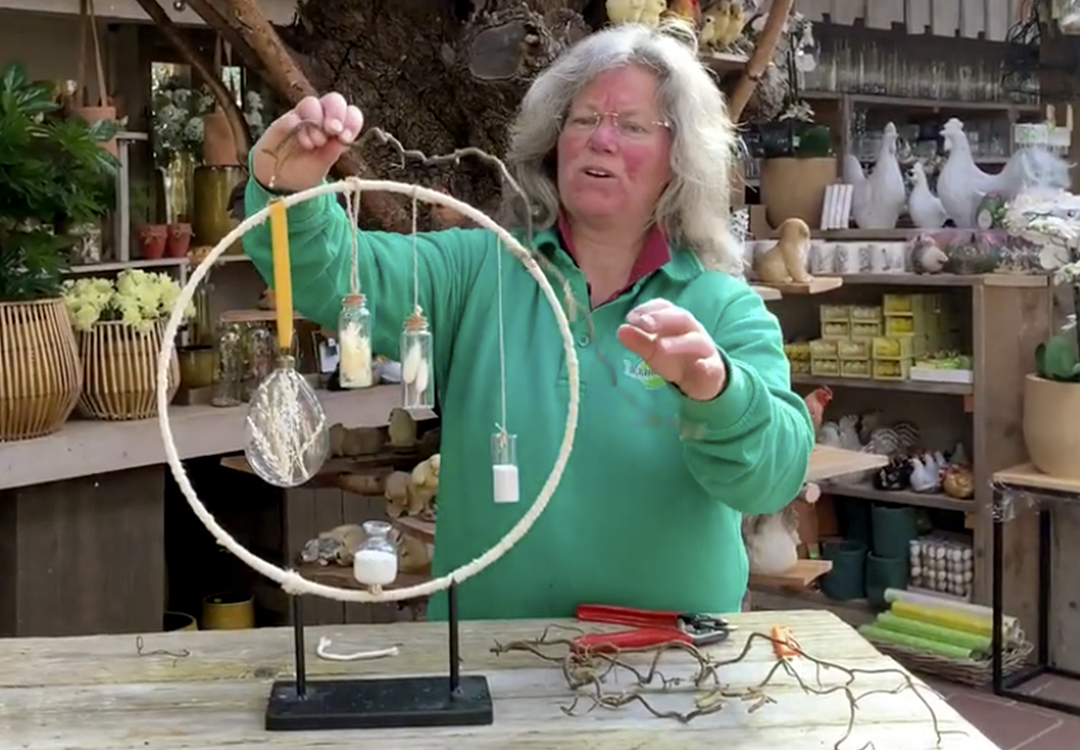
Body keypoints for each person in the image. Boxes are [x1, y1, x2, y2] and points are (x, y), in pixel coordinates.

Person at [242, 21, 815, 621]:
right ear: (554, 141)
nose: (601, 140)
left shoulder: (722, 306)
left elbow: (772, 479)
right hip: (491, 664)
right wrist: (288, 190)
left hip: (675, 664)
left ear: (681, 160)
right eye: (585, 119)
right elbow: (338, 277)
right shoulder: (476, 271)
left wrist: (717, 391)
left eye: (633, 126)